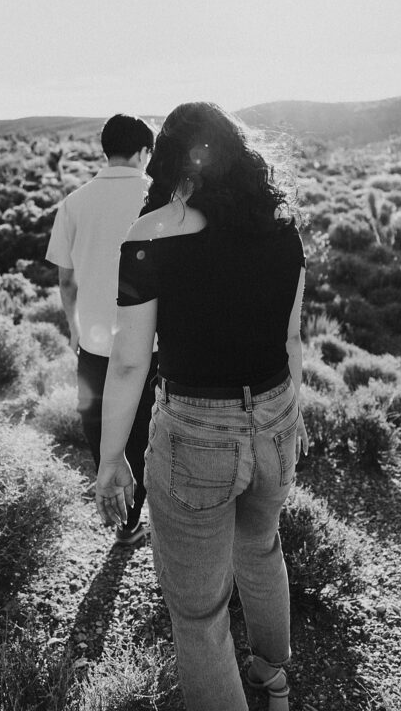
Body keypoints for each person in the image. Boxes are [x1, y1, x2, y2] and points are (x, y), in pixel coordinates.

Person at [95, 101, 308, 711]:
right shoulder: (282, 228)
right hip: (275, 417)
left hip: (194, 433)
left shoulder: (147, 238)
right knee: (263, 546)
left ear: (169, 163)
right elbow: (291, 339)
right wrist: (292, 414)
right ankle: (274, 680)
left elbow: (131, 362)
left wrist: (114, 457)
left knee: (199, 613)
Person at [46, 113, 157, 545]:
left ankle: (118, 513)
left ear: (106, 151)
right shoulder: (160, 200)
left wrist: (73, 329)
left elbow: (66, 280)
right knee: (146, 437)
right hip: (150, 344)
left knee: (100, 431)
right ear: (145, 152)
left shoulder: (74, 202)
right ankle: (136, 520)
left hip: (92, 342)